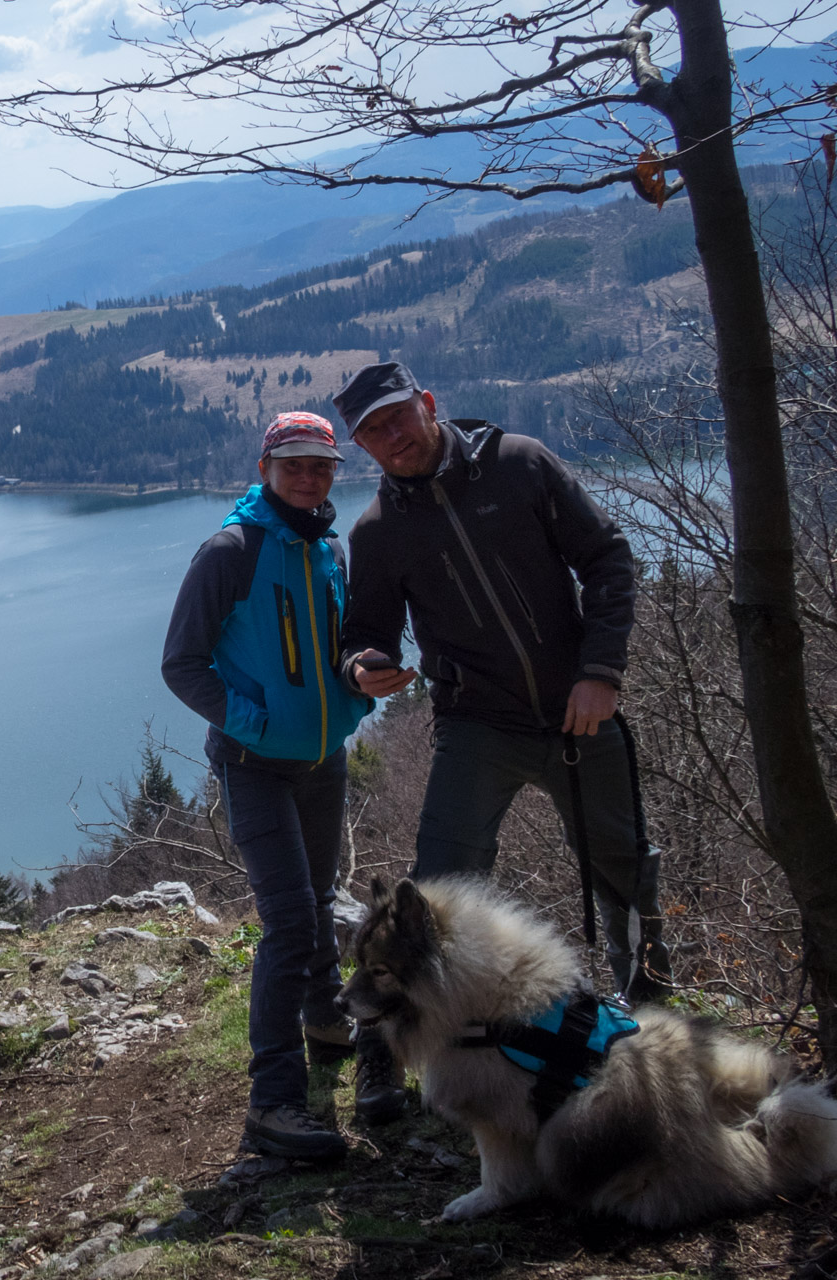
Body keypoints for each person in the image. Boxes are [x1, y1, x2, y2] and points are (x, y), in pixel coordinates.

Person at [332, 361, 672, 1125]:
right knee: (431, 896)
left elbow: (608, 559)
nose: (392, 439)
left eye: (398, 419)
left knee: (623, 866)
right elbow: (365, 633)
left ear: (427, 404)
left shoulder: (520, 465)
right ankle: (384, 1061)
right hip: (476, 726)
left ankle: (651, 1011)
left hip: (580, 714)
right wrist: (364, 667)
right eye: (373, 434)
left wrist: (601, 671)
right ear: (363, 448)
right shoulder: (380, 532)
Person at [163, 411, 374, 1161]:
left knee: (318, 901)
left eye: (321, 466)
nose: (309, 477)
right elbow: (181, 663)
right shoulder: (230, 550)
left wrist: (359, 684)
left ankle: (324, 1020)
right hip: (254, 765)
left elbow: (340, 646)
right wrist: (248, 723)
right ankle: (273, 1104)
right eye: (294, 466)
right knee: (288, 923)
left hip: (324, 758)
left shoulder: (328, 549)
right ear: (266, 470)